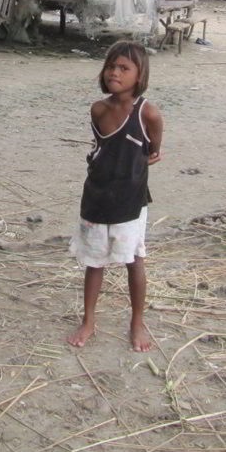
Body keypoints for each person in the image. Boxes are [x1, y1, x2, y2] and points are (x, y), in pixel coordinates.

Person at [67, 41, 163, 352]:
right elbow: (102, 150)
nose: (115, 73)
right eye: (111, 66)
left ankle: (136, 323)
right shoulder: (98, 109)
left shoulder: (148, 113)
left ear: (140, 74)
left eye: (124, 68)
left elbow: (153, 152)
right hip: (96, 196)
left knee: (134, 261)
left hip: (130, 201)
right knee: (94, 262)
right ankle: (89, 321)